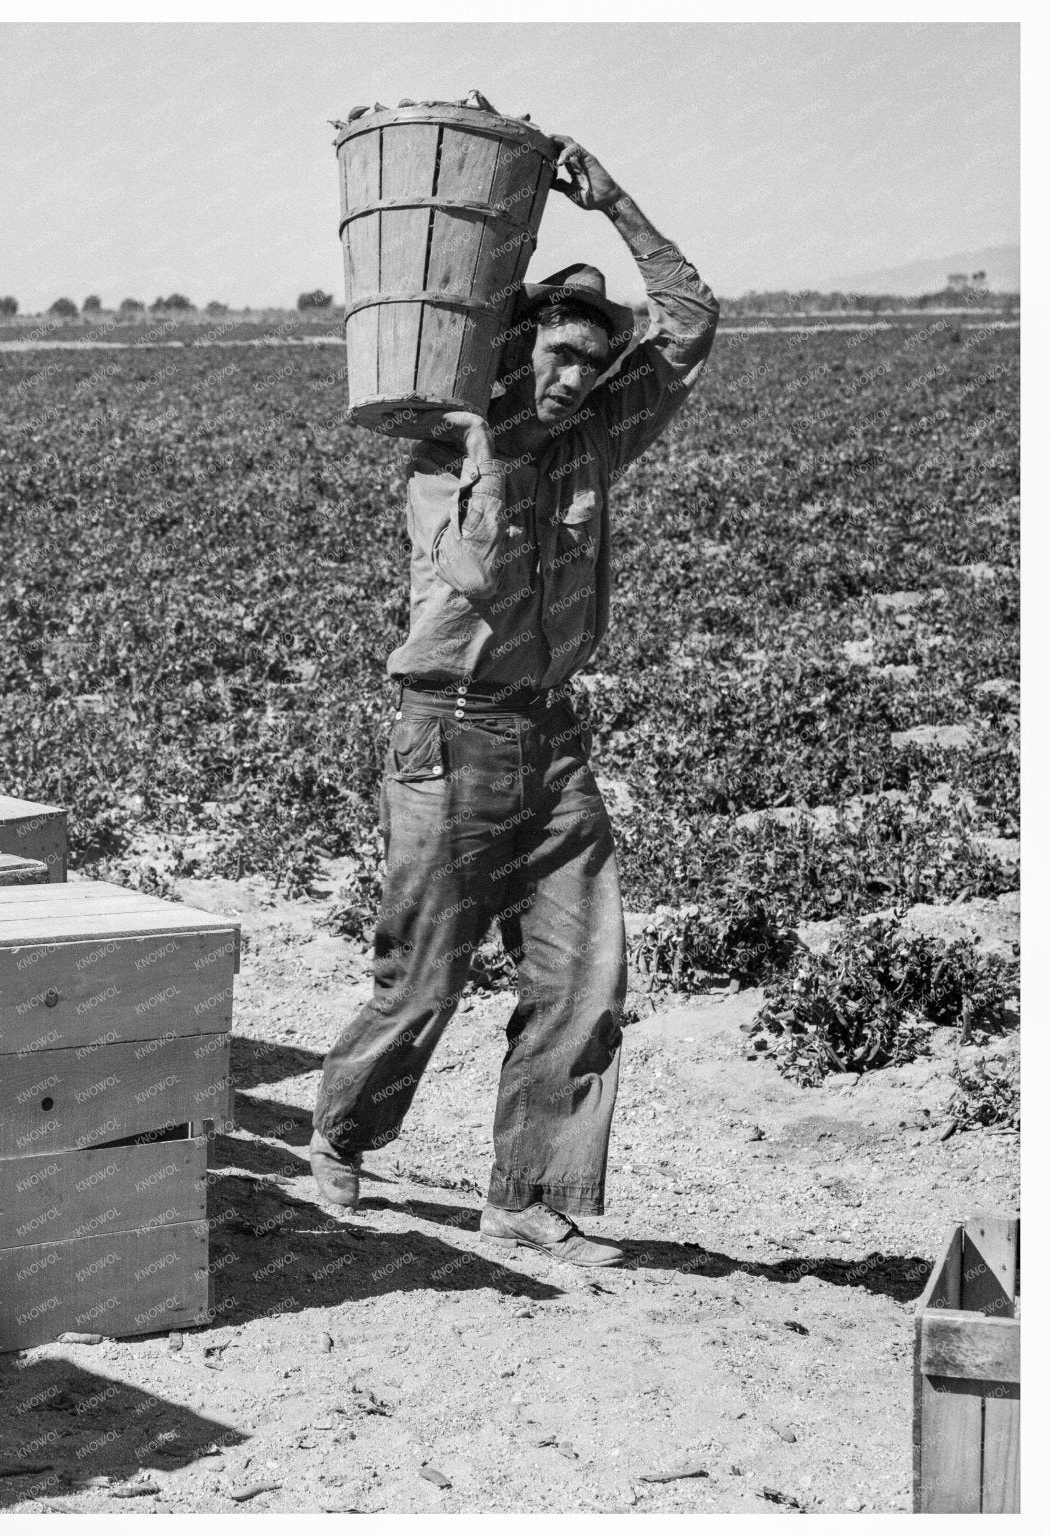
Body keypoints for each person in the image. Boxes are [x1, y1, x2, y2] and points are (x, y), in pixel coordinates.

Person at [309, 136, 719, 1267]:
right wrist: (491, 445)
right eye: (558, 354)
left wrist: (616, 203)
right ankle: (342, 1129)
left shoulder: (597, 437)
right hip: (445, 737)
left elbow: (687, 323)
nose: (577, 377)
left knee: (584, 975)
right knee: (422, 977)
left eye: (592, 360)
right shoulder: (443, 463)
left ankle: (526, 1195)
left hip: (549, 738)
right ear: (514, 348)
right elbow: (482, 578)